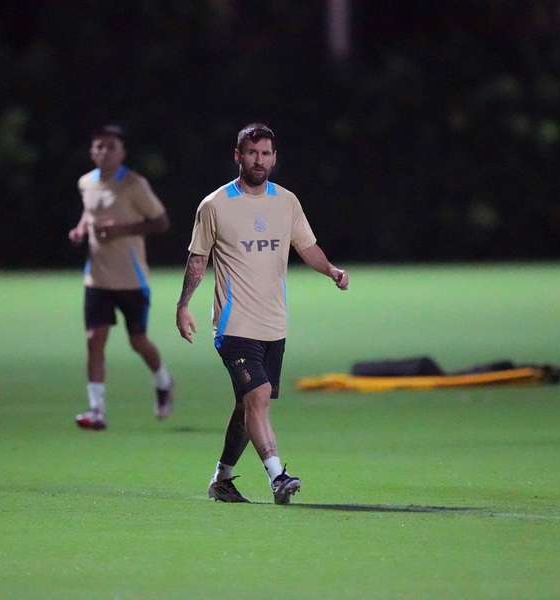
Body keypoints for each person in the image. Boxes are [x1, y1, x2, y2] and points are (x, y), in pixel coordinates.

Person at [175, 123, 349, 505]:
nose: (259, 160)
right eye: (252, 153)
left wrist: (331, 270)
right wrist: (184, 304)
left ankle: (221, 479)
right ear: (238, 155)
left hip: (274, 323)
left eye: (266, 153)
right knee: (259, 395)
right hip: (234, 324)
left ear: (274, 157)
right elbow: (198, 259)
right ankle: (278, 475)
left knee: (248, 404)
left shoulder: (286, 201)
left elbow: (307, 246)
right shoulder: (215, 205)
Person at [68, 124, 175, 430]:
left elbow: (161, 222)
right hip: (97, 278)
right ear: (92, 151)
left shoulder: (133, 184)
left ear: (122, 152)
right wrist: (80, 229)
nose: (104, 151)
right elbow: (90, 212)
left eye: (111, 146)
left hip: (131, 279)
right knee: (94, 340)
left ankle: (164, 381)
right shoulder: (85, 183)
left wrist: (122, 231)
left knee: (138, 341)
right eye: (99, 146)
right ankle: (96, 411)